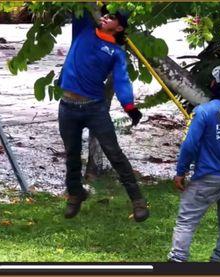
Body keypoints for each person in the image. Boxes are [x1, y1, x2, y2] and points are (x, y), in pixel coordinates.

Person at [57, 5, 149, 222]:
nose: (107, 17)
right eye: (107, 14)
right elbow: (83, 5)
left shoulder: (117, 52)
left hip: (94, 108)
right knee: (71, 153)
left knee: (113, 152)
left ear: (119, 28)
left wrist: (130, 107)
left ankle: (138, 201)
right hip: (67, 106)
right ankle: (75, 193)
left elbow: (122, 81)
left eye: (113, 18)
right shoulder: (84, 28)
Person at [167, 66, 220, 262]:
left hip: (207, 176)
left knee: (187, 219)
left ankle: (178, 258)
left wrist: (181, 172)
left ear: (216, 86)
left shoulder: (204, 111)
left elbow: (189, 145)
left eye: (213, 80)